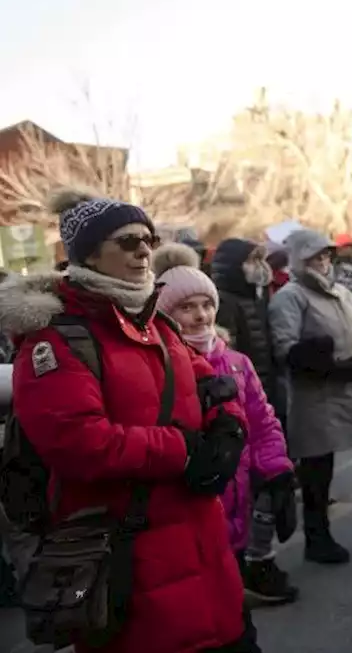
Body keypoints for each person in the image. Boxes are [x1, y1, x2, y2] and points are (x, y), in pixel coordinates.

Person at [0, 190, 256, 652]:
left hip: (204, 546)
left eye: (149, 239)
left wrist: (228, 427)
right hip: (127, 557)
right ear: (89, 254)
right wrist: (185, 450)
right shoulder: (56, 340)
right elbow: (80, 443)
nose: (144, 250)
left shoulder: (156, 322)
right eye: (128, 240)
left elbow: (212, 385)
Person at [154, 242, 300, 606]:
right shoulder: (163, 367)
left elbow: (262, 421)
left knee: (231, 607)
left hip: (240, 498)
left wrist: (276, 470)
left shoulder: (235, 361)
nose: (200, 316)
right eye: (186, 308)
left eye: (206, 305)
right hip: (196, 505)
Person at [268, 229, 352, 565]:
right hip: (316, 394)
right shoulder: (289, 297)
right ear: (298, 260)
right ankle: (317, 537)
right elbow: (285, 348)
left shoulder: (342, 292)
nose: (322, 261)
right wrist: (324, 365)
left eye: (325, 255)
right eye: (313, 257)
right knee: (317, 468)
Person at [211, 238, 287, 442]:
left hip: (266, 388)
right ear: (234, 265)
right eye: (253, 260)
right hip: (245, 393)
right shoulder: (223, 301)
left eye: (261, 259)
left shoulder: (257, 297)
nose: (261, 266)